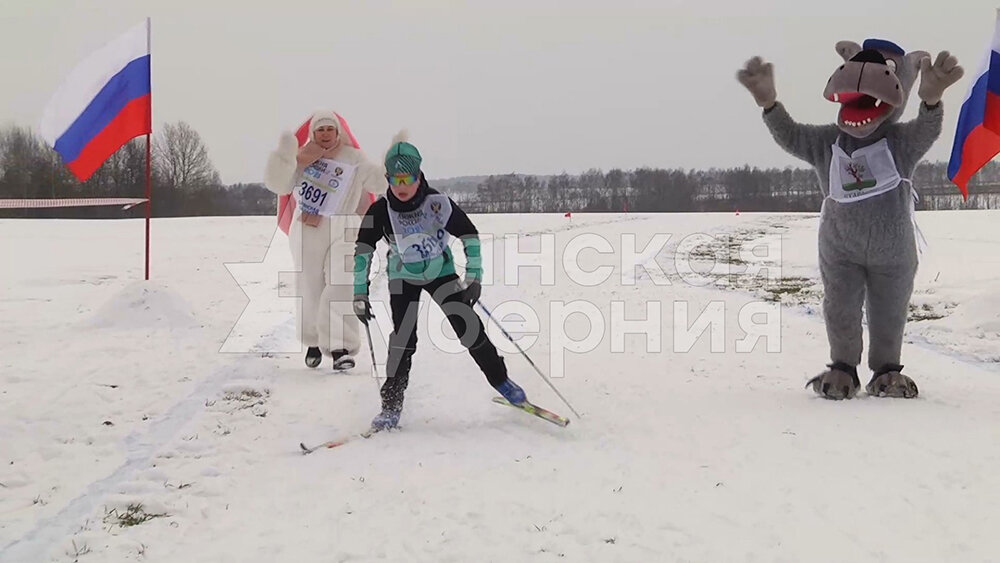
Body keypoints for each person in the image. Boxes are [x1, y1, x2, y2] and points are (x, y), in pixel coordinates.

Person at [352, 131, 528, 430]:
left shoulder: (438, 204)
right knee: (403, 341)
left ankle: (501, 381)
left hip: (440, 272)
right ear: (388, 179)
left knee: (468, 327)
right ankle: (391, 406)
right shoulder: (380, 210)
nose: (402, 186)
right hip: (402, 277)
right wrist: (359, 292)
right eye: (396, 180)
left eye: (408, 179)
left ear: (419, 176)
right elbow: (362, 252)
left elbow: (469, 236)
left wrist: (474, 277)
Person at [263, 110, 384, 369]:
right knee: (311, 284)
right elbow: (279, 185)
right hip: (308, 227)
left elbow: (377, 182)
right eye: (320, 130)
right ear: (313, 133)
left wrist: (394, 165)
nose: (325, 134)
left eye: (330, 129)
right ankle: (314, 340)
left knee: (342, 283)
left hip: (345, 227)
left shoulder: (354, 157)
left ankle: (341, 347)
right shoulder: (301, 158)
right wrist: (283, 158)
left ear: (338, 131)